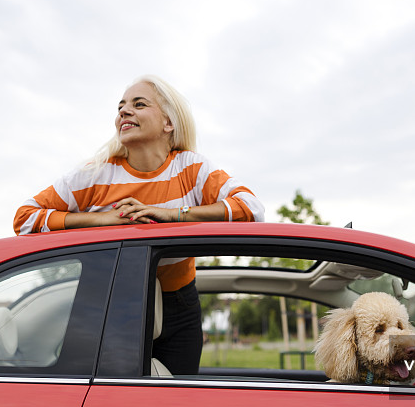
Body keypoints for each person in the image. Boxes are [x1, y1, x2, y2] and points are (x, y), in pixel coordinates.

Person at [13, 75, 264, 374]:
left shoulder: (192, 168)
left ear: (168, 123)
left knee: (176, 403)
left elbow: (251, 209)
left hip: (179, 305)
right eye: (120, 107)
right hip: (110, 304)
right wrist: (100, 220)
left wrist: (172, 215)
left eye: (138, 104)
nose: (123, 111)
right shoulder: (95, 175)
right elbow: (25, 218)